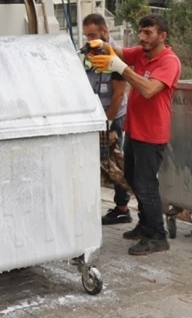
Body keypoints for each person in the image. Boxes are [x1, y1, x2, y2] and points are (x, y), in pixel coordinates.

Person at [87, 13, 181, 256]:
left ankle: (158, 236)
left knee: (146, 184)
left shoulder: (169, 62)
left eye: (148, 33)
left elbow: (149, 89)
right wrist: (99, 45)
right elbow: (118, 51)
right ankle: (145, 224)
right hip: (135, 129)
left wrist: (121, 69)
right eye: (141, 32)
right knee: (131, 176)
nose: (142, 37)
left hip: (152, 134)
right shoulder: (141, 53)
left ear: (163, 36)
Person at [81, 14, 131, 225]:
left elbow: (118, 95)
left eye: (92, 35)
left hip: (111, 117)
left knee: (114, 163)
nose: (89, 40)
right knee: (93, 164)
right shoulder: (89, 53)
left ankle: (122, 208)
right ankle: (91, 206)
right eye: (86, 36)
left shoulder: (115, 55)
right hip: (94, 115)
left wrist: (107, 122)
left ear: (105, 31)